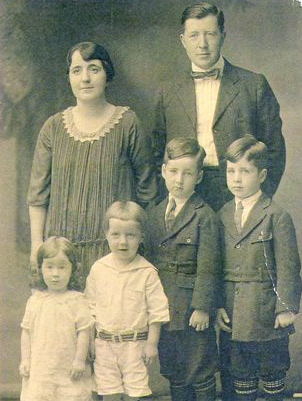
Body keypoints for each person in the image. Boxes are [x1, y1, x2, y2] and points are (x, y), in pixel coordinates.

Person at [27, 41, 158, 280]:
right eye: (77, 70)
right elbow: (38, 196)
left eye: (94, 69)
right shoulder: (53, 127)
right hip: (61, 254)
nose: (85, 78)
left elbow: (147, 191)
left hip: (114, 252)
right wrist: (37, 243)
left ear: (107, 74)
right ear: (68, 77)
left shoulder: (128, 123)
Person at [153, 2, 285, 212]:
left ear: (223, 36)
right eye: (194, 35)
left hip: (237, 191)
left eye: (210, 34)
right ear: (183, 40)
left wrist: (257, 199)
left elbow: (275, 150)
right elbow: (156, 150)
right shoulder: (168, 91)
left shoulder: (253, 85)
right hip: (185, 191)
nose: (202, 44)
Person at [216, 135, 302, 401]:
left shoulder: (276, 215)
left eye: (245, 171)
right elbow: (216, 267)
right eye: (231, 171)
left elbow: (288, 267)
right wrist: (218, 304)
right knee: (240, 373)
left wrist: (286, 308)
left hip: (266, 312)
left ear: (262, 174)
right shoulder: (222, 214)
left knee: (271, 370)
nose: (237, 179)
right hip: (233, 311)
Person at [145, 138, 222, 401]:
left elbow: (209, 266)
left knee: (200, 367)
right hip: (164, 306)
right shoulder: (153, 215)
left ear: (199, 177)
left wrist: (202, 307)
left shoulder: (204, 215)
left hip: (191, 309)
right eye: (174, 171)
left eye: (188, 173)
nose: (179, 179)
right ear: (163, 171)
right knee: (174, 368)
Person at [85, 201, 169, 401]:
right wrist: (90, 342)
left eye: (130, 235)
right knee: (109, 393)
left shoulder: (147, 272)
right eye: (116, 234)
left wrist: (151, 344)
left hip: (135, 345)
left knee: (134, 393)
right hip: (104, 344)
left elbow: (157, 311)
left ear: (141, 237)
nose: (123, 242)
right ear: (106, 234)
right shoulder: (99, 269)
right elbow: (89, 309)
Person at [19, 236, 93, 401]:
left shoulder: (77, 300)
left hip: (68, 366)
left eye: (62, 267)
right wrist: (25, 360)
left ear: (72, 269)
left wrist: (80, 361)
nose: (55, 274)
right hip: (41, 367)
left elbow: (84, 332)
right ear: (40, 269)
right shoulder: (35, 301)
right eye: (49, 267)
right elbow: (26, 332)